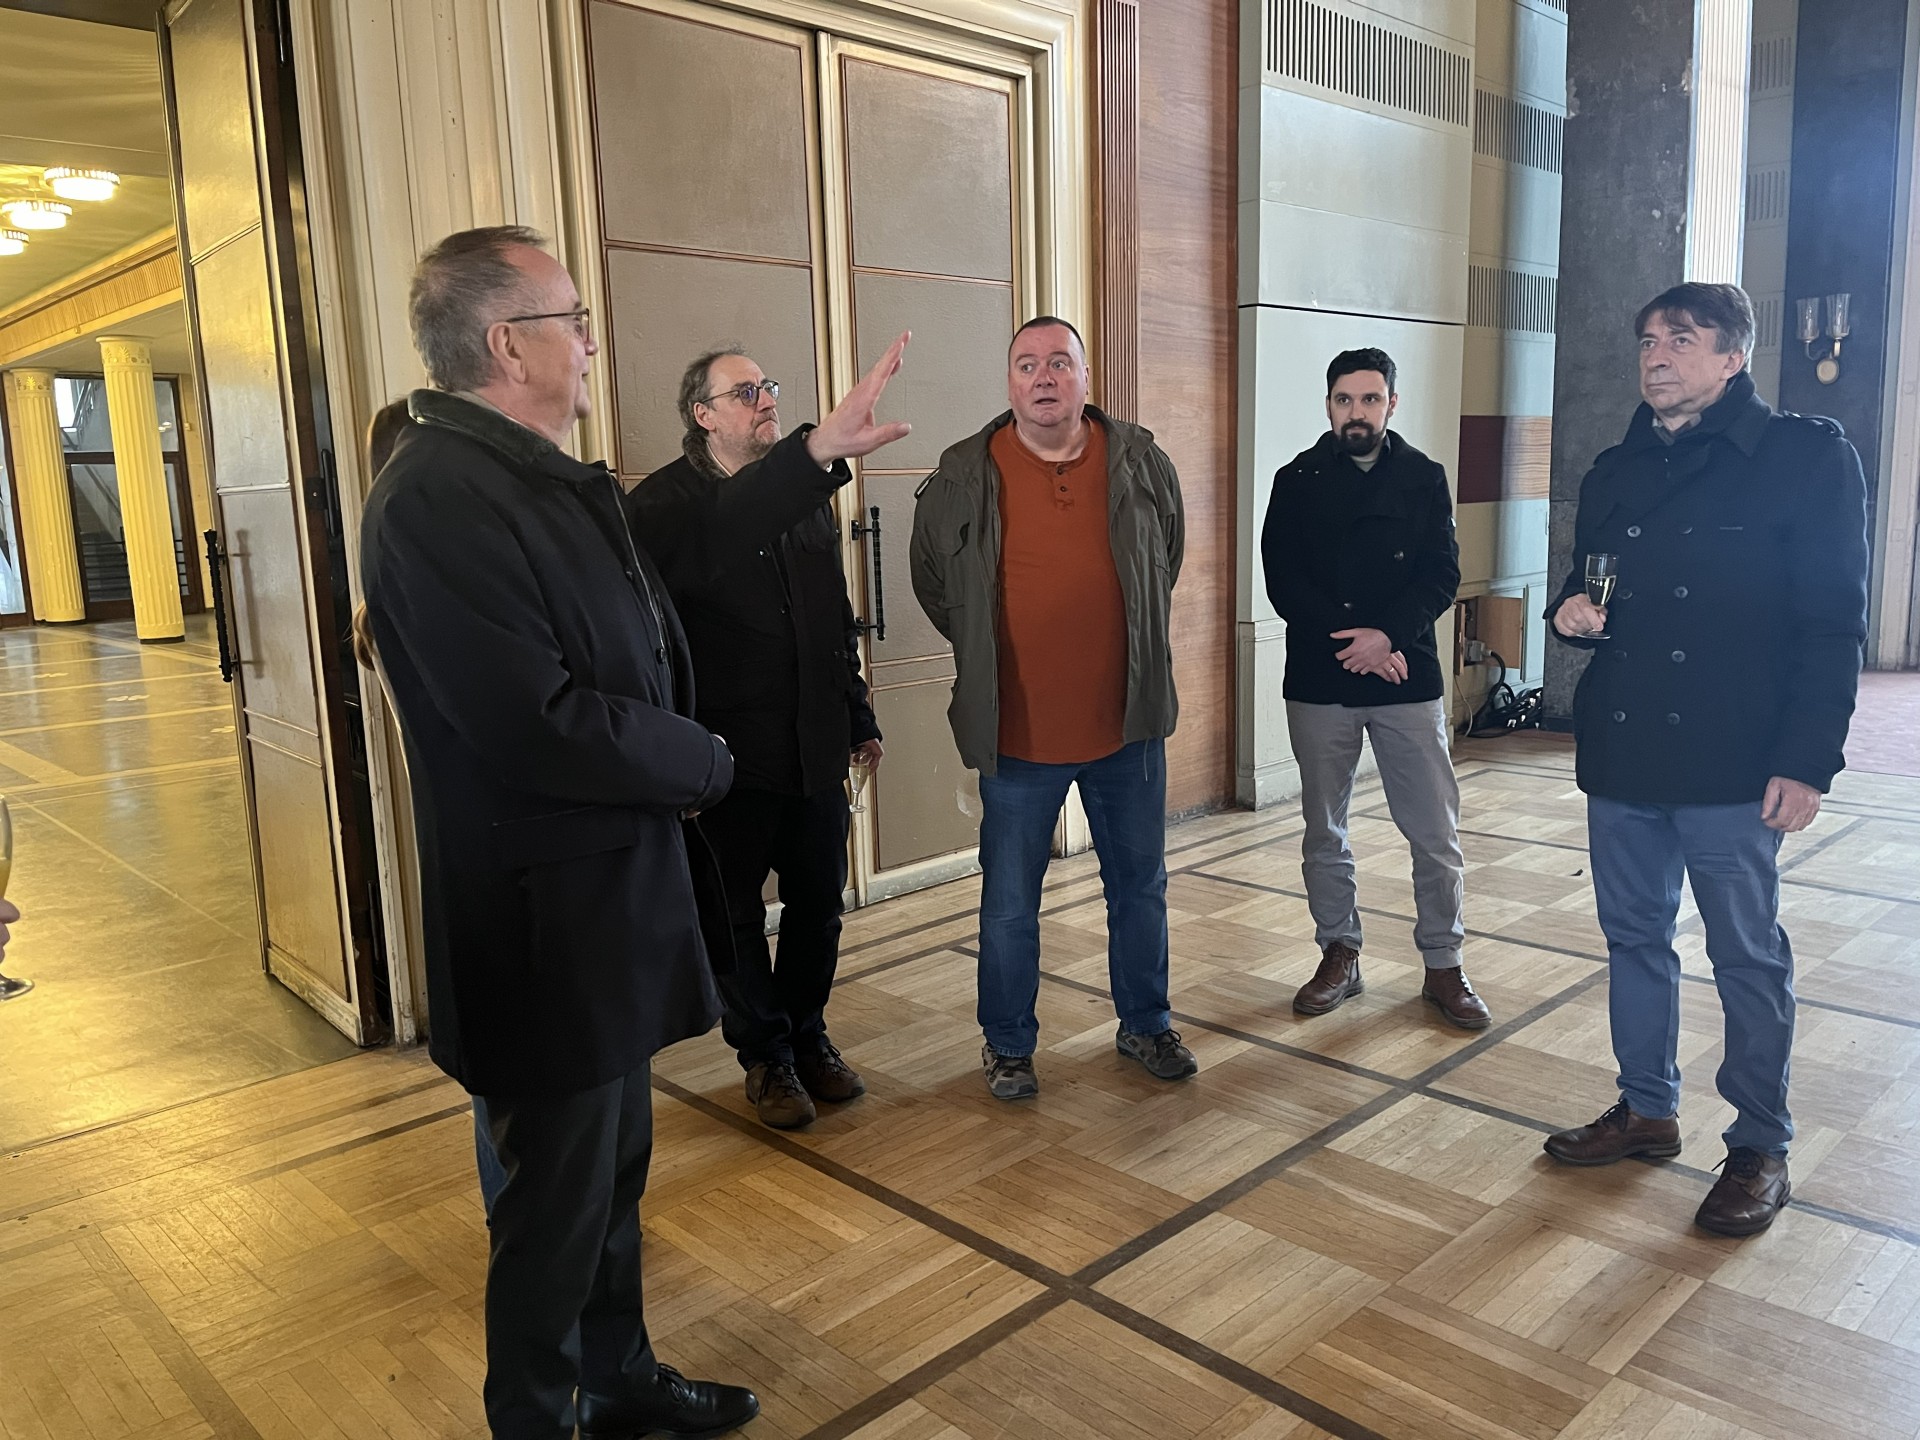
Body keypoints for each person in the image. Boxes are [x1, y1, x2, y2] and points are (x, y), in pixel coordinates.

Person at [360, 224, 908, 1439]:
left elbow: (695, 544)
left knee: (610, 1184)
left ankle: (617, 1383)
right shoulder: (438, 496)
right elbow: (534, 721)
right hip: (542, 926)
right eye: (571, 319)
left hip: (601, 906)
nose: (590, 340)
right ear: (508, 343)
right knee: (551, 1214)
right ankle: (539, 1416)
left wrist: (814, 453)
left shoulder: (533, 475)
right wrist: (703, 760)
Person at [1541, 282, 1868, 1239]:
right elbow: (1584, 585)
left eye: (1681, 339)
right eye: (1648, 340)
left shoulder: (1805, 458)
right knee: (1634, 940)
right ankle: (1647, 1108)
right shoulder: (1616, 466)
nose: (1656, 355)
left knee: (1746, 956)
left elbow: (1832, 622)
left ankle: (1760, 1144)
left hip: (1736, 757)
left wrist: (1808, 759)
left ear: (1734, 356)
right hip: (1628, 753)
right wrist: (1568, 613)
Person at [909, 316, 1194, 1100]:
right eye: (1028, 364)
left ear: (1085, 377)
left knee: (1140, 888)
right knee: (1009, 905)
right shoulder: (962, 473)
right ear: (1009, 381)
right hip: (1016, 736)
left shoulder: (1142, 461)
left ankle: (1146, 1023)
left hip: (1126, 729)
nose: (1044, 377)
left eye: (1060, 363)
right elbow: (936, 584)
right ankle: (1008, 1046)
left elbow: (1164, 558)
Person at [630, 348, 887, 1131]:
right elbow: (647, 646)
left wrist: (858, 714)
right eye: (744, 391)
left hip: (812, 744)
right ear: (702, 414)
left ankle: (808, 1037)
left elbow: (832, 617)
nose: (765, 399)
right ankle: (766, 1055)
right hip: (724, 760)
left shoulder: (802, 498)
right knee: (735, 916)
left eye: (767, 386)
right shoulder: (662, 508)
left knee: (819, 907)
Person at [1261, 348, 1487, 1029]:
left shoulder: (1424, 477)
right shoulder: (1295, 479)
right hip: (1321, 675)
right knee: (1323, 827)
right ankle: (1339, 952)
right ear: (1329, 405)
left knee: (1434, 829)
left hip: (1405, 674)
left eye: (1369, 399)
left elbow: (1440, 575)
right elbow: (1284, 582)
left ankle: (1444, 964)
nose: (1355, 412)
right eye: (1344, 400)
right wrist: (1357, 644)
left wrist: (1385, 638)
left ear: (1392, 403)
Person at [353, 396, 510, 1213]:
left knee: (504, 1053)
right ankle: (517, 1215)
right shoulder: (415, 584)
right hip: (479, 825)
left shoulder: (383, 596)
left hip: (459, 825)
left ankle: (527, 1211)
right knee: (509, 1057)